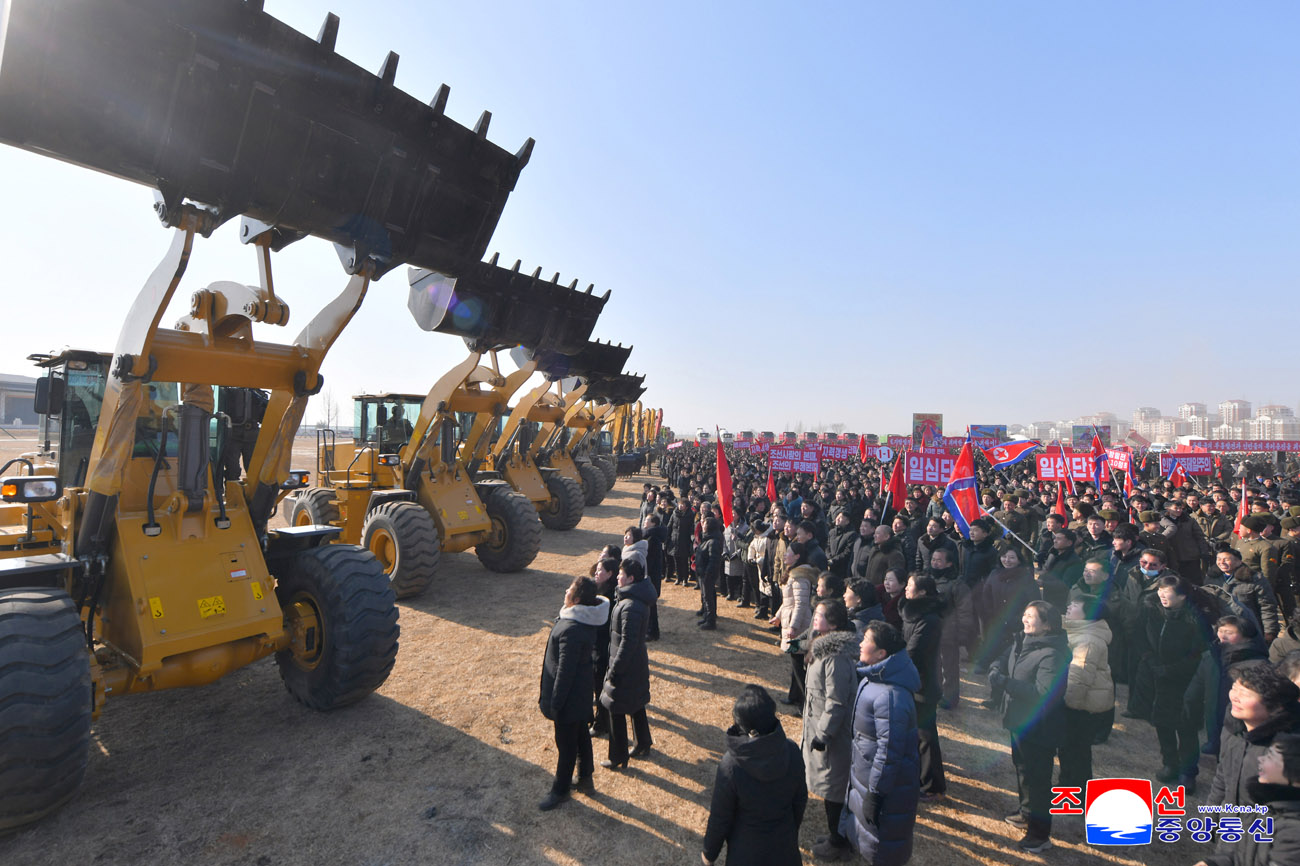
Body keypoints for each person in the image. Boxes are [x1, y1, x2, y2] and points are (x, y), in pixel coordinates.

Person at [988, 601, 1069, 853]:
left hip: (1039, 728)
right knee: (1022, 769)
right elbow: (1005, 657)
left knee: (1038, 779)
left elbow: (1044, 693)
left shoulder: (1052, 653)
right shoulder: (1022, 640)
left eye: (1031, 617)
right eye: (1024, 614)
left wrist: (1005, 683)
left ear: (1048, 624)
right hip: (1018, 720)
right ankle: (1025, 813)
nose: (1025, 619)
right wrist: (996, 668)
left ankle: (1039, 835)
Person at [840, 620, 921, 866]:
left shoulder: (890, 695)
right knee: (870, 839)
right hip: (868, 778)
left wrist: (875, 794)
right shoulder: (873, 677)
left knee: (883, 846)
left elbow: (889, 753)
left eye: (866, 640)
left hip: (885, 789)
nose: (860, 643)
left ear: (881, 653)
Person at [701, 685, 807, 866]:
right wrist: (789, 831)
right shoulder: (792, 751)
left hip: (745, 854)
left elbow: (720, 817)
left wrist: (709, 855)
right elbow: (799, 801)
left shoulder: (731, 765)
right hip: (785, 850)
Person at [537, 575, 609, 810]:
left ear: (576, 599)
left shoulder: (573, 628)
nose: (565, 591)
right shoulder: (577, 618)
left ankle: (561, 790)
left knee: (566, 744)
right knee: (580, 735)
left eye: (569, 589)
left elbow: (565, 671)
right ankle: (586, 779)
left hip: (569, 697)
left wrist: (556, 703)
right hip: (578, 694)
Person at [1139, 575, 1214, 792]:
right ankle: (1169, 764)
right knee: (1163, 723)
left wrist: (1171, 670)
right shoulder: (1153, 610)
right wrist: (1151, 661)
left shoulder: (1195, 618)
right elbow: (1141, 636)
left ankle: (1188, 773)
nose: (1162, 595)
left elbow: (1198, 654)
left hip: (1186, 681)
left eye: (1167, 592)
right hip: (1158, 676)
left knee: (1186, 726)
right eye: (1160, 590)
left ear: (1182, 596)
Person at [801, 599, 862, 861]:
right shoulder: (821, 646)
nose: (815, 618)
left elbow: (836, 701)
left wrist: (822, 734)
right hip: (819, 729)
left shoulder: (835, 657)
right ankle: (834, 834)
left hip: (832, 737)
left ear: (834, 623)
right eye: (815, 613)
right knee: (829, 787)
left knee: (834, 787)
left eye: (821, 615)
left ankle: (839, 843)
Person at [1207, 664, 1300, 816]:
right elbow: (1222, 776)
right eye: (1234, 688)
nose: (1234, 697)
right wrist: (1211, 816)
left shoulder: (1286, 749)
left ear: (1276, 706)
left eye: (1245, 694)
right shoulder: (1233, 730)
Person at [600, 558, 656, 768]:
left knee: (616, 709)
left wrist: (615, 669)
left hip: (626, 666)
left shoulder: (631, 606)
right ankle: (643, 743)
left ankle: (618, 756)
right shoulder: (633, 598)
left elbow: (628, 642)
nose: (617, 577)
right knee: (636, 704)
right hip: (634, 664)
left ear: (631, 578)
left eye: (621, 574)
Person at [1058, 598, 1113, 793]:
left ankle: (1078, 796)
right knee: (1070, 750)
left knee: (1076, 752)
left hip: (1081, 706)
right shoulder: (1078, 631)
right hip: (1081, 703)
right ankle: (1066, 788)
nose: (1069, 607)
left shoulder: (1087, 641)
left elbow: (1078, 680)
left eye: (1074, 606)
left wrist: (1066, 706)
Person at [900, 574, 947, 801]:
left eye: (910, 586)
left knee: (926, 735)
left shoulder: (930, 619)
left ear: (922, 593)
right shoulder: (911, 613)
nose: (906, 588)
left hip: (924, 683)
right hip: (911, 679)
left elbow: (915, 651)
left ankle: (933, 785)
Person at [772, 542, 815, 710]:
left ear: (797, 556)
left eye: (788, 553)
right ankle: (794, 696)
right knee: (794, 662)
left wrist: (793, 627)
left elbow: (801, 605)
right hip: (791, 620)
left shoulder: (800, 577)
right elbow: (788, 601)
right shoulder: (793, 573)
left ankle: (805, 704)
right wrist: (778, 616)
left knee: (798, 665)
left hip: (798, 625)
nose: (785, 555)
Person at [696, 517, 725, 630]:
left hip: (708, 574)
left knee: (708, 597)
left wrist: (707, 574)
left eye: (705, 524)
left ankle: (711, 621)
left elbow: (713, 560)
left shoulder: (713, 541)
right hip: (703, 573)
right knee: (705, 596)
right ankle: (707, 616)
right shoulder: (707, 538)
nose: (702, 525)